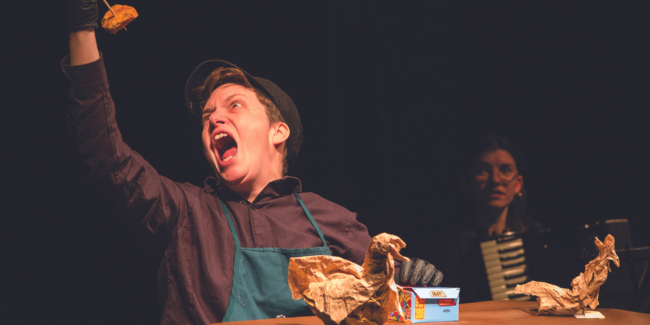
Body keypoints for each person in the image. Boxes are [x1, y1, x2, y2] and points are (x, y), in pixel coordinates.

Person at [63, 1, 442, 323]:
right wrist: (82, 31)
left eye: (235, 105)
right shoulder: (186, 213)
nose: (213, 118)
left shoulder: (332, 219)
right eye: (206, 115)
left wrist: (420, 290)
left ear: (278, 132)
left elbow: (396, 312)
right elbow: (106, 158)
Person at [431, 135, 542, 302]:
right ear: (467, 184)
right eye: (482, 170)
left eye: (505, 170)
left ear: (518, 184)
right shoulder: (450, 246)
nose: (495, 180)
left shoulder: (538, 237)